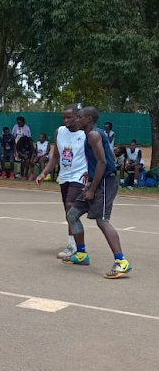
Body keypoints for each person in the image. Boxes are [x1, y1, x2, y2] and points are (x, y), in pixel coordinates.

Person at [64, 106, 130, 278]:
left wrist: (92, 188)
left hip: (105, 183)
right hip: (97, 180)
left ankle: (121, 262)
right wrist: (91, 176)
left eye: (79, 117)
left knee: (102, 221)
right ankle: (81, 254)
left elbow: (103, 163)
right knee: (72, 214)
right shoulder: (92, 135)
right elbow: (107, 159)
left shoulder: (93, 135)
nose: (75, 120)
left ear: (89, 120)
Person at [36, 105, 88, 259]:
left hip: (79, 176)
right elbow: (55, 157)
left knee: (71, 208)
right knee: (68, 212)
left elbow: (94, 156)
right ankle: (74, 241)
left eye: (69, 117)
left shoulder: (86, 134)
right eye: (64, 117)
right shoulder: (59, 132)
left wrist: (89, 172)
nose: (66, 120)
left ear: (78, 116)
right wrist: (44, 173)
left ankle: (73, 247)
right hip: (64, 176)